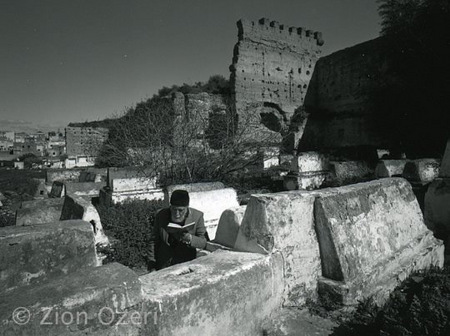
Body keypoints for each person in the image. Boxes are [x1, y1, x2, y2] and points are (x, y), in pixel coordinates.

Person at [147, 189, 207, 271]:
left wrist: (190, 238)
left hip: (186, 265)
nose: (177, 214)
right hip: (164, 265)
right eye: (174, 209)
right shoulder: (161, 215)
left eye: (180, 210)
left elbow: (203, 242)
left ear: (187, 208)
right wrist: (152, 264)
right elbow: (153, 241)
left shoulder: (197, 216)